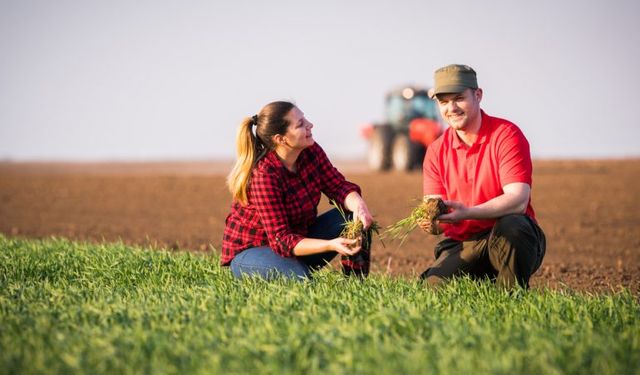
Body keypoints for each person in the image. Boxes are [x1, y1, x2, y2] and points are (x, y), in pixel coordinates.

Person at [419, 64, 546, 289]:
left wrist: (468, 212)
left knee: (514, 227)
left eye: (459, 98)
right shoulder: (436, 151)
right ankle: (483, 280)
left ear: (478, 95)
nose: (452, 108)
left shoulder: (506, 135)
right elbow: (437, 216)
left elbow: (518, 200)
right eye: (444, 102)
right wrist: (431, 223)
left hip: (507, 237)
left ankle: (511, 298)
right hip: (464, 242)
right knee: (432, 288)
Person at [222, 101, 374, 280]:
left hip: (296, 241)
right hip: (253, 252)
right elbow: (282, 240)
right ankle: (294, 271)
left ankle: (355, 284)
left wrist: (359, 206)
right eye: (300, 124)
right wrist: (331, 245)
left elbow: (338, 186)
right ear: (281, 139)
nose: (310, 125)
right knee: (302, 280)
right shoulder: (264, 175)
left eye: (305, 119)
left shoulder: (311, 152)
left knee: (354, 219)